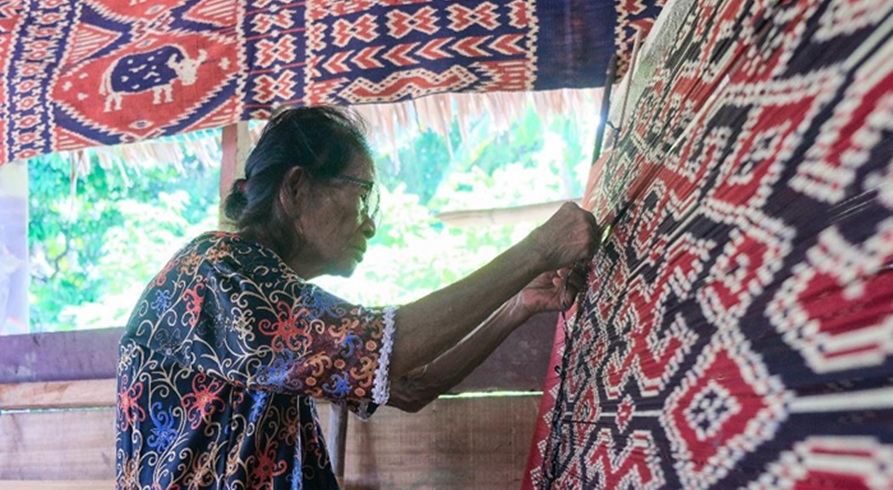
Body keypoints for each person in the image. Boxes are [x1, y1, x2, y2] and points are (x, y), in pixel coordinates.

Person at [115, 104, 599, 490]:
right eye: (362, 194)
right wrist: (538, 249)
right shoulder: (219, 273)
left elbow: (410, 386)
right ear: (297, 188)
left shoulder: (271, 303)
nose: (368, 222)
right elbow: (386, 352)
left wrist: (517, 305)